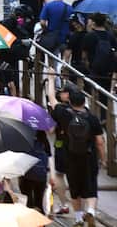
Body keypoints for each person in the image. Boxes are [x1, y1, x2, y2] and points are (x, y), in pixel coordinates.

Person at [56, 88, 104, 225]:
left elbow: (53, 101)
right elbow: (100, 142)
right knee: (91, 186)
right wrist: (103, 159)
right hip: (89, 157)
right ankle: (90, 211)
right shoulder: (92, 118)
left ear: (70, 102)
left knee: (74, 188)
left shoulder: (65, 115)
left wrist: (51, 81)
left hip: (70, 157)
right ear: (85, 102)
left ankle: (78, 218)